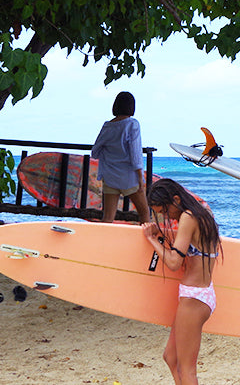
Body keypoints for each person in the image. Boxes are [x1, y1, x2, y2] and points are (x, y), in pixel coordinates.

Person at [142, 178, 221, 385]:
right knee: (171, 357)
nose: (167, 218)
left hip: (194, 298)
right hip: (199, 294)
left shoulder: (188, 216)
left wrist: (152, 239)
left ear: (176, 199)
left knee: (187, 370)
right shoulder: (203, 211)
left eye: (166, 212)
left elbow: (174, 262)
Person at [91, 91, 151, 224]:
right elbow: (135, 155)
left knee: (107, 218)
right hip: (129, 177)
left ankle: (100, 244)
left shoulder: (107, 126)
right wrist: (140, 179)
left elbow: (95, 152)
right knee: (145, 213)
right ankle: (145, 243)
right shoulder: (132, 124)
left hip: (110, 176)